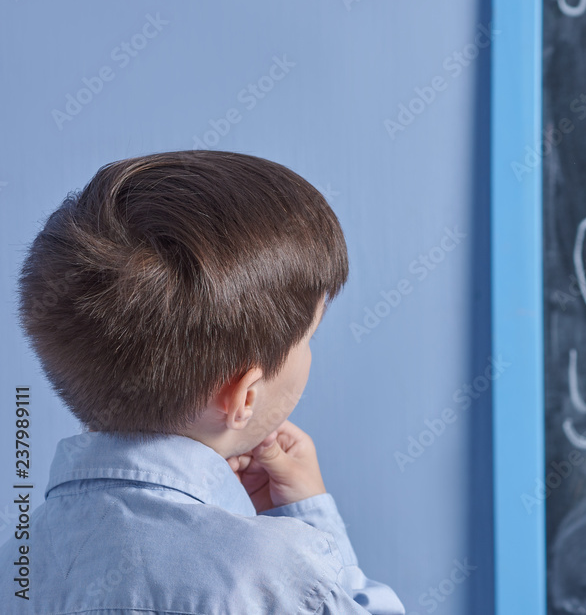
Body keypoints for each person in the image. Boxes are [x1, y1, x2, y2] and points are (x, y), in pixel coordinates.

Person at [0, 150, 406, 614]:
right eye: (309, 337)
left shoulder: (20, 563)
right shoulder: (273, 571)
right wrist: (311, 524)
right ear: (244, 395)